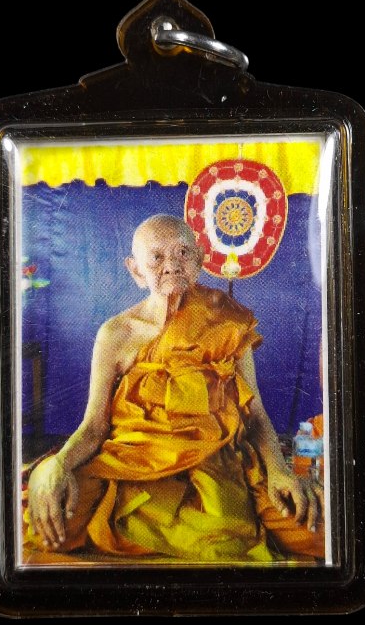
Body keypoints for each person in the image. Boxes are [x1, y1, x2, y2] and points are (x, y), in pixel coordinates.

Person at [23, 214, 324, 562]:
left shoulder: (228, 321)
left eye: (183, 252)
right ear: (136, 270)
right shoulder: (116, 334)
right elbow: (94, 427)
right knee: (47, 522)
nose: (172, 265)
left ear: (199, 258)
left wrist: (280, 471)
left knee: (316, 528)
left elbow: (255, 415)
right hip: (134, 468)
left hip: (217, 467)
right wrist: (57, 465)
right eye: (156, 257)